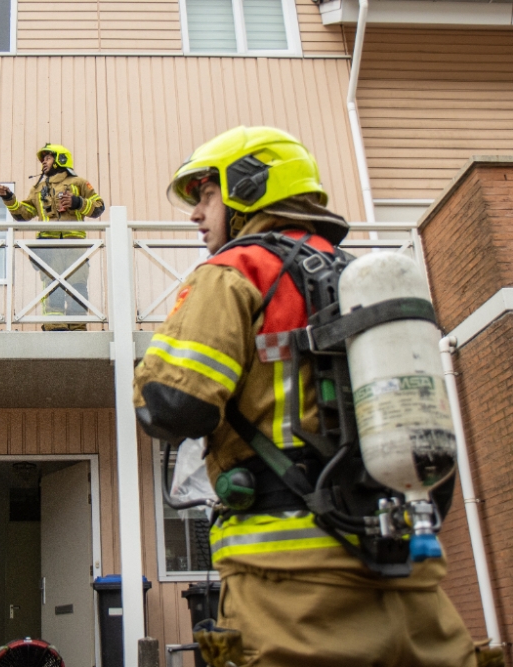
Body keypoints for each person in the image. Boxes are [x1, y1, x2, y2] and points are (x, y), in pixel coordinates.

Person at [132, 127, 489, 666]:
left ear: (247, 188)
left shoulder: (235, 271)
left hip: (288, 588)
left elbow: (172, 405)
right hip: (410, 580)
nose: (195, 214)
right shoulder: (368, 280)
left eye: (206, 194)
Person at [0, 143, 105, 331]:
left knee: (78, 288)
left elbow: (98, 207)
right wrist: (9, 198)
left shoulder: (79, 183)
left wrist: (78, 202)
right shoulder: (38, 189)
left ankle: (77, 328)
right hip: (48, 247)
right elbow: (23, 214)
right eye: (43, 160)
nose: (43, 163)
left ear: (61, 159)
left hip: (75, 247)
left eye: (48, 158)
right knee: (52, 288)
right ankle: (55, 326)